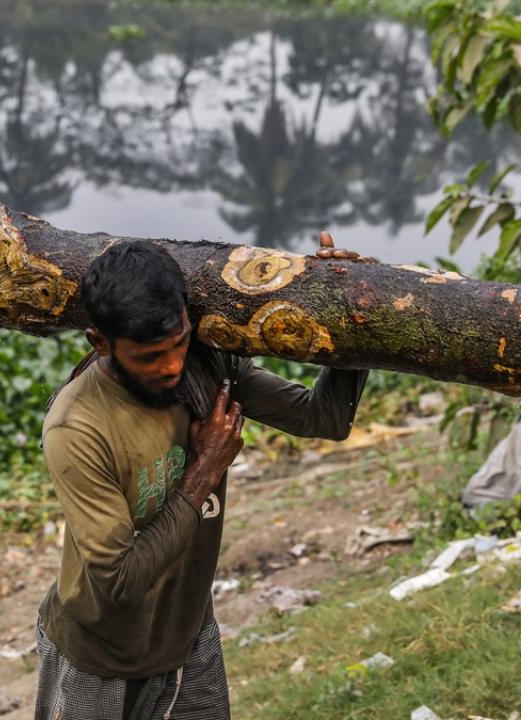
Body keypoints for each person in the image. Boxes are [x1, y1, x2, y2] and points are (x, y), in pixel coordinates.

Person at [34, 238, 368, 720]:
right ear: (100, 343)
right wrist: (204, 470)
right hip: (97, 660)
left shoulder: (207, 370)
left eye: (179, 343)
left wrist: (347, 305)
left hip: (188, 640)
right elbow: (120, 582)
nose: (171, 366)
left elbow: (326, 418)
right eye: (149, 356)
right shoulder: (78, 428)